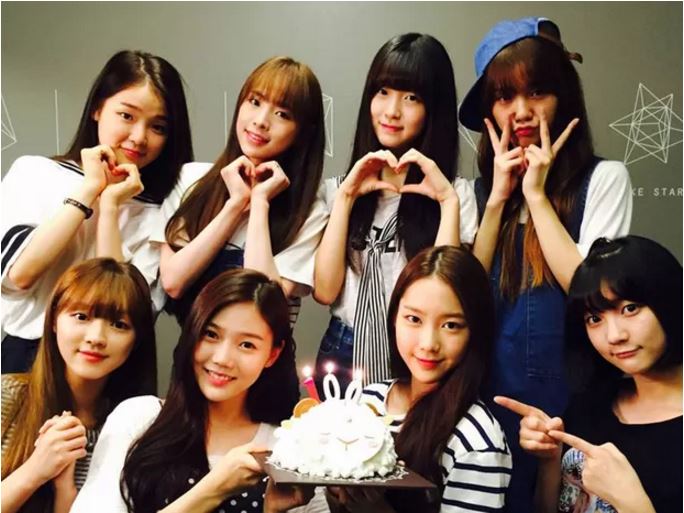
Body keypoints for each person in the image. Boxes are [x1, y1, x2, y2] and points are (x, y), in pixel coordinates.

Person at [458, 17, 633, 510]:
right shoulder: (474, 195)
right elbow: (462, 300)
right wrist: (498, 201)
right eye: (503, 97)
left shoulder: (604, 180)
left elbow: (588, 289)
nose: (521, 111)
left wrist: (536, 195)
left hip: (574, 410)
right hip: (484, 409)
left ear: (564, 97)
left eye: (536, 91)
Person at [71, 268, 326, 513]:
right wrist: (213, 490)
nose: (222, 358)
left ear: (272, 354)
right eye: (211, 334)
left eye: (247, 345)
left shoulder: (284, 450)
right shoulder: (138, 418)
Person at [1, 50, 193, 373]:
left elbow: (119, 306)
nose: (139, 137)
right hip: (26, 360)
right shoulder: (35, 173)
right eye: (127, 116)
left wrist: (111, 207)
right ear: (97, 109)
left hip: (108, 372)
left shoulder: (165, 211)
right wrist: (90, 190)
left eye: (158, 127)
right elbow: (18, 276)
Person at [313, 34, 478, 389]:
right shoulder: (338, 190)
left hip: (417, 351)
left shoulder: (456, 194)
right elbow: (325, 291)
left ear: (434, 109)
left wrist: (448, 204)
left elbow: (445, 296)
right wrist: (346, 198)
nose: (391, 110)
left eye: (411, 97)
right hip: (343, 349)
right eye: (383, 91)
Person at [495, 236, 682, 512]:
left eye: (630, 309)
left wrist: (632, 502)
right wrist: (551, 459)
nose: (614, 335)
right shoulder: (589, 404)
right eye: (595, 319)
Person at [327, 246, 511, 513]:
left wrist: (376, 510)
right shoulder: (369, 400)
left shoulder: (475, 441)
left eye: (451, 325)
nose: (428, 343)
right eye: (414, 319)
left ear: (475, 331)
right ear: (394, 318)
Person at [156, 56, 327, 327]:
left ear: (303, 132)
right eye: (255, 101)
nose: (260, 121)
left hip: (263, 352)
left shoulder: (310, 212)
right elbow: (173, 282)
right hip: (195, 350)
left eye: (282, 114)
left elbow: (263, 309)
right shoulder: (191, 179)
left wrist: (259, 203)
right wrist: (235, 205)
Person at [1, 258, 157, 513]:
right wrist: (34, 470)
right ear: (54, 320)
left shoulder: (136, 430)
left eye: (119, 325)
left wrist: (66, 492)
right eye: (81, 316)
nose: (96, 338)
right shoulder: (7, 395)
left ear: (136, 340)